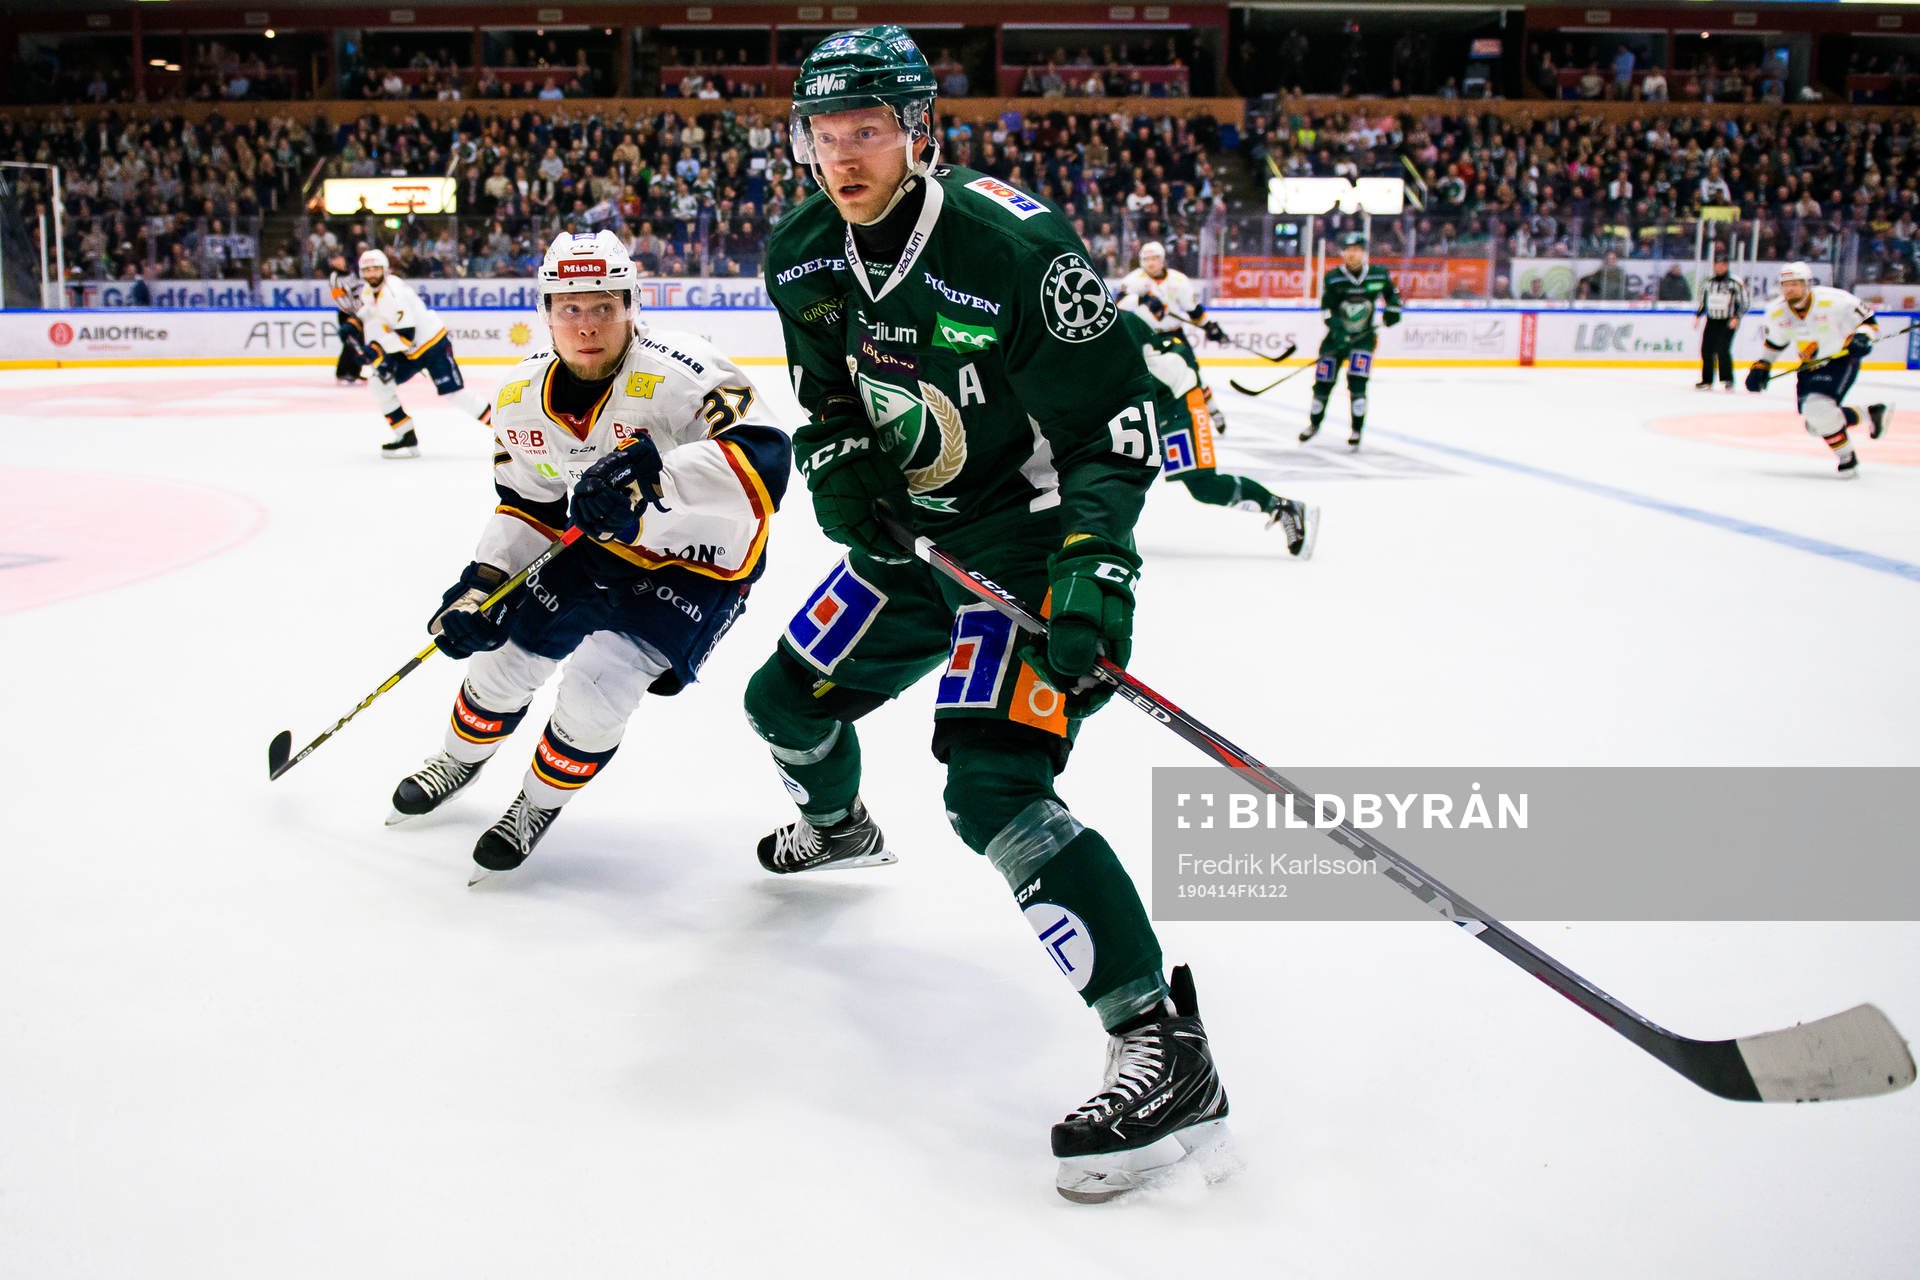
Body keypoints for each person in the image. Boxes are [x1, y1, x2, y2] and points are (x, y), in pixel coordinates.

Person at [747, 24, 1232, 1203]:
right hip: (916, 543)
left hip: (1025, 542)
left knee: (992, 781)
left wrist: (1095, 566)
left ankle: (1160, 1041)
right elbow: (826, 396)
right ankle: (839, 825)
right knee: (784, 702)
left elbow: (1114, 425)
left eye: (869, 129)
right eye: (825, 132)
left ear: (918, 131)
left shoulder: (1013, 248)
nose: (844, 154)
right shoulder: (802, 253)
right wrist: (837, 458)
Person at [385, 230, 790, 879]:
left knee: (596, 693)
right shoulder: (520, 400)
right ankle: (458, 760)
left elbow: (765, 463)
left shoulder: (683, 370)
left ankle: (535, 804)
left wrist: (650, 479)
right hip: (598, 543)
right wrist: (483, 585)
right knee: (503, 661)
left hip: (701, 565)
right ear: (545, 312)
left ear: (632, 305)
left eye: (603, 305)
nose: (586, 324)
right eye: (569, 307)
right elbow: (531, 506)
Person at [1119, 307, 1318, 556]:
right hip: (1148, 404)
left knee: (1203, 485)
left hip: (1177, 401)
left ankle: (1282, 507)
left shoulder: (1117, 322)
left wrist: (1213, 410)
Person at [1745, 261, 1893, 478]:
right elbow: (1775, 343)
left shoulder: (1836, 301)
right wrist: (1762, 365)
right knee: (1815, 425)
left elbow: (1868, 321)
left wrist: (1863, 337)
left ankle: (1847, 458)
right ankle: (1869, 413)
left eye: (1795, 284)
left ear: (1807, 284)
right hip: (1809, 366)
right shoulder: (1777, 312)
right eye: (1786, 285)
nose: (1790, 289)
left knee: (1818, 410)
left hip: (1840, 359)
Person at [344, 248, 494, 457]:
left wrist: (376, 349)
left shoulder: (393, 294)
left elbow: (407, 335)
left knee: (454, 393)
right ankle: (406, 435)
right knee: (379, 383)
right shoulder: (370, 290)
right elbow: (371, 308)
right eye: (367, 270)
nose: (372, 274)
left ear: (384, 270)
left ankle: (504, 429)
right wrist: (355, 322)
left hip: (432, 346)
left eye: (375, 269)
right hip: (408, 351)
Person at [1116, 240, 1234, 434]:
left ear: (1162, 259)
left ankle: (1213, 411)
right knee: (1145, 378)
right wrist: (1142, 299)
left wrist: (1210, 327)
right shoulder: (1133, 280)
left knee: (1193, 373)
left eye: (1154, 258)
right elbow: (1118, 305)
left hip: (1174, 334)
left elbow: (1194, 311)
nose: (1150, 263)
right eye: (1146, 259)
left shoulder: (1178, 281)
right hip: (1147, 338)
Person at [1300, 231, 1402, 450]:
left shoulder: (1378, 275)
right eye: (1348, 250)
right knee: (1323, 381)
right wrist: (1339, 332)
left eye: (1356, 250)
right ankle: (1314, 423)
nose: (1352, 254)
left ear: (1363, 252)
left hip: (1363, 339)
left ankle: (1357, 429)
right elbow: (1327, 310)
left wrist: (1393, 310)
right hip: (1335, 340)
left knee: (1357, 382)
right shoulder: (1334, 278)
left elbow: (1393, 296)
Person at [1694, 257, 1747, 391]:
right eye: (1716, 265)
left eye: (1722, 265)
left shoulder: (1735, 282)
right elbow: (1704, 301)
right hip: (1712, 320)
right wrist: (1698, 315)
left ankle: (1727, 379)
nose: (1719, 267)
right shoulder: (1709, 282)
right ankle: (1707, 380)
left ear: (1726, 266)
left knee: (1722, 349)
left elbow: (1744, 302)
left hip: (1728, 320)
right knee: (1706, 349)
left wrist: (1736, 317)